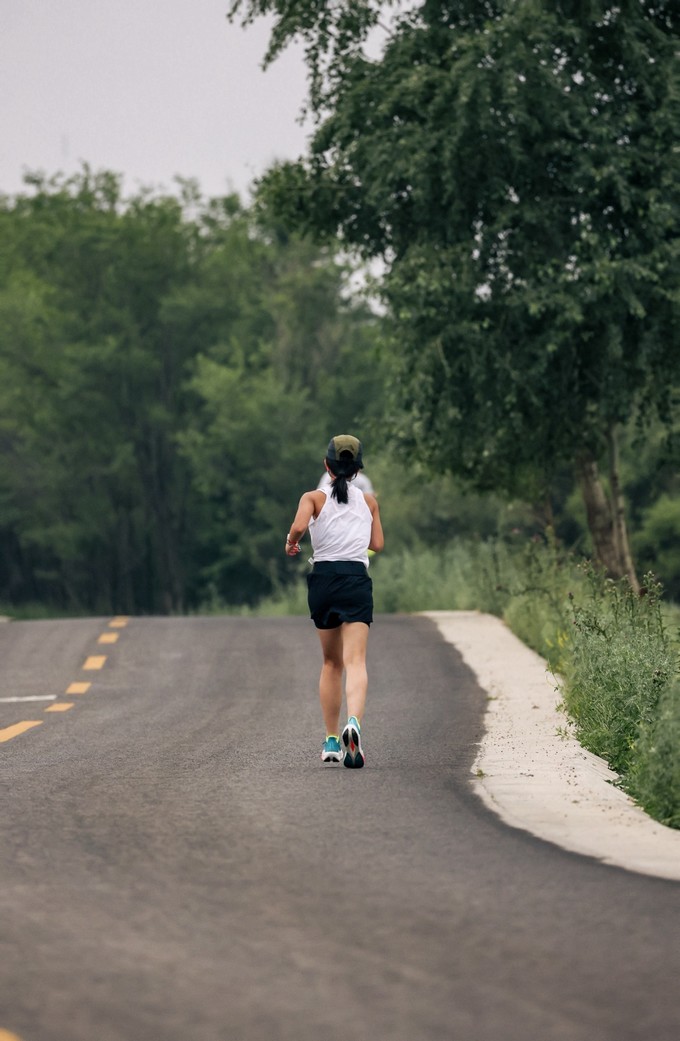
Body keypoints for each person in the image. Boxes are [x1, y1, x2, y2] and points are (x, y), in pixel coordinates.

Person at [285, 434, 384, 768]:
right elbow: (378, 543)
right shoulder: (369, 502)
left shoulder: (312, 498)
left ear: (327, 466)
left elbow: (298, 528)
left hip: (324, 581)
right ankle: (353, 724)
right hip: (356, 579)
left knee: (331, 663)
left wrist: (291, 542)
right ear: (357, 470)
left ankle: (330, 741)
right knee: (356, 661)